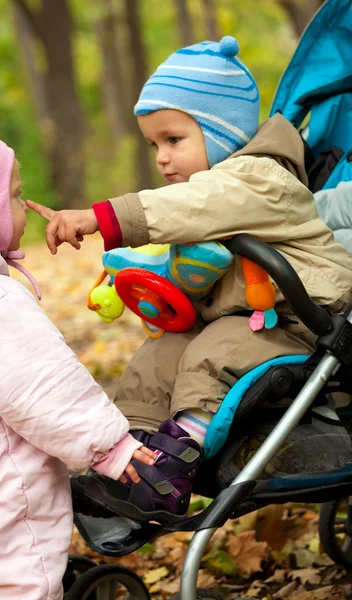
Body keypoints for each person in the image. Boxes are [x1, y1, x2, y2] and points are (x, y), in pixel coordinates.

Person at [28, 37, 352, 523]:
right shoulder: (215, 195)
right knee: (157, 357)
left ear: (222, 135)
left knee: (211, 355)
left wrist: (102, 217)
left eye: (174, 140)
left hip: (298, 319)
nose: (161, 157)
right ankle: (130, 463)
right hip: (242, 319)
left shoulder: (259, 179)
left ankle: (171, 471)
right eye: (154, 144)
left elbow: (193, 205)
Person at [0, 124, 156, 600]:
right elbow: (43, 388)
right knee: (16, 577)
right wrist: (108, 446)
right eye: (15, 197)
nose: (24, 208)